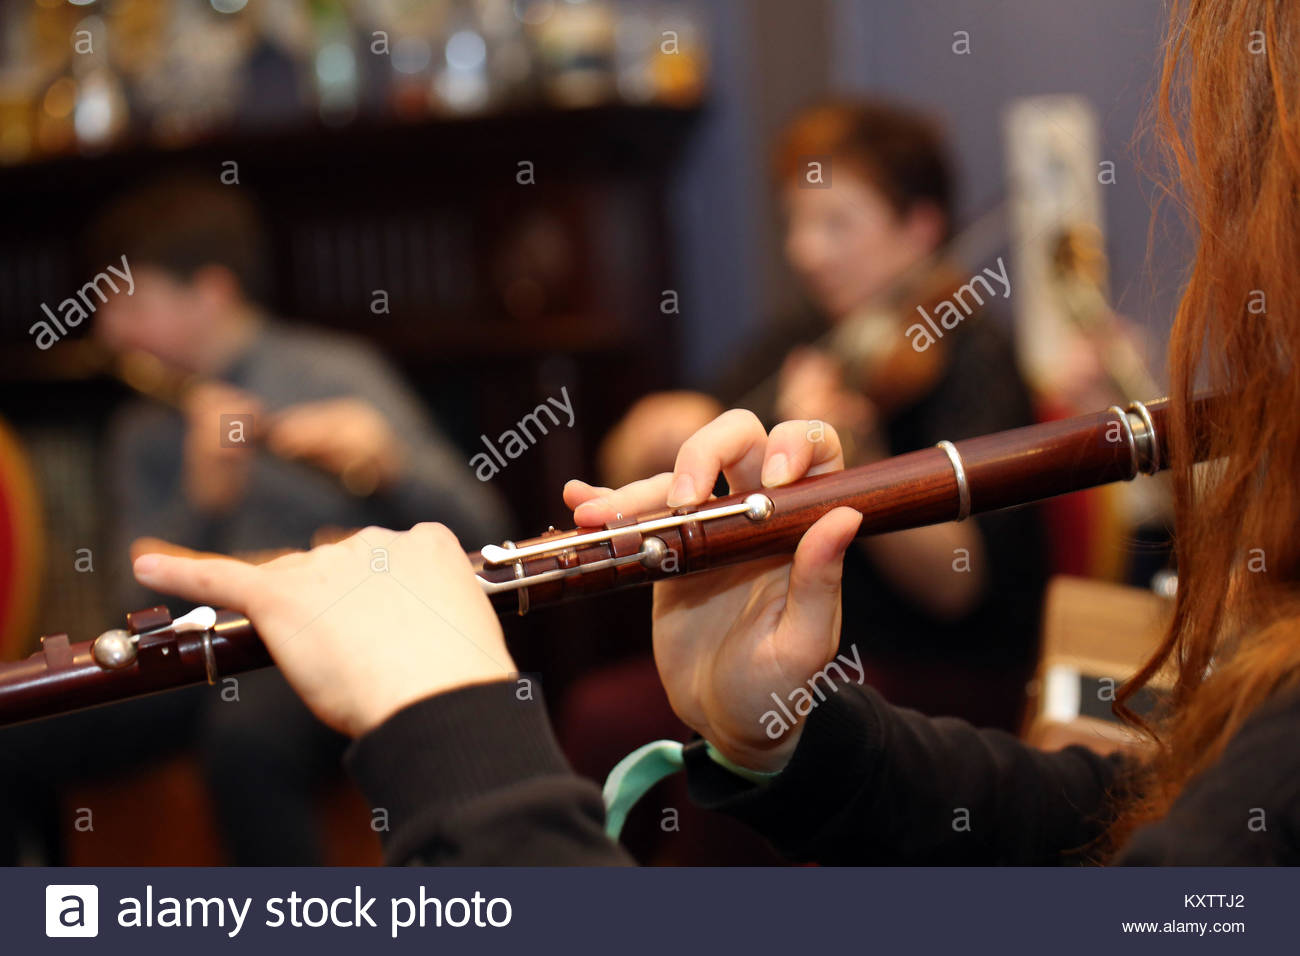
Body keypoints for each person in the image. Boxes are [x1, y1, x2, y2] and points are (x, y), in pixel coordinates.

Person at [125, 0, 1300, 865]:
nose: (806, 252)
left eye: (835, 223)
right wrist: (776, 723)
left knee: (597, 712)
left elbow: (956, 585)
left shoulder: (962, 343)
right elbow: (1109, 807)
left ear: (918, 227)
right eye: (796, 223)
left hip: (947, 655)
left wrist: (451, 729)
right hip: (856, 684)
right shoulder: (801, 333)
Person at [4, 178, 510, 867]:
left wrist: (390, 465)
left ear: (210, 294)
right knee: (20, 726)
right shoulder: (144, 426)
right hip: (197, 653)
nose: (110, 331)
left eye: (131, 304)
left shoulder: (338, 372)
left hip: (330, 638)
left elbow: (485, 533)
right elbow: (131, 604)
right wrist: (203, 501)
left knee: (244, 740)